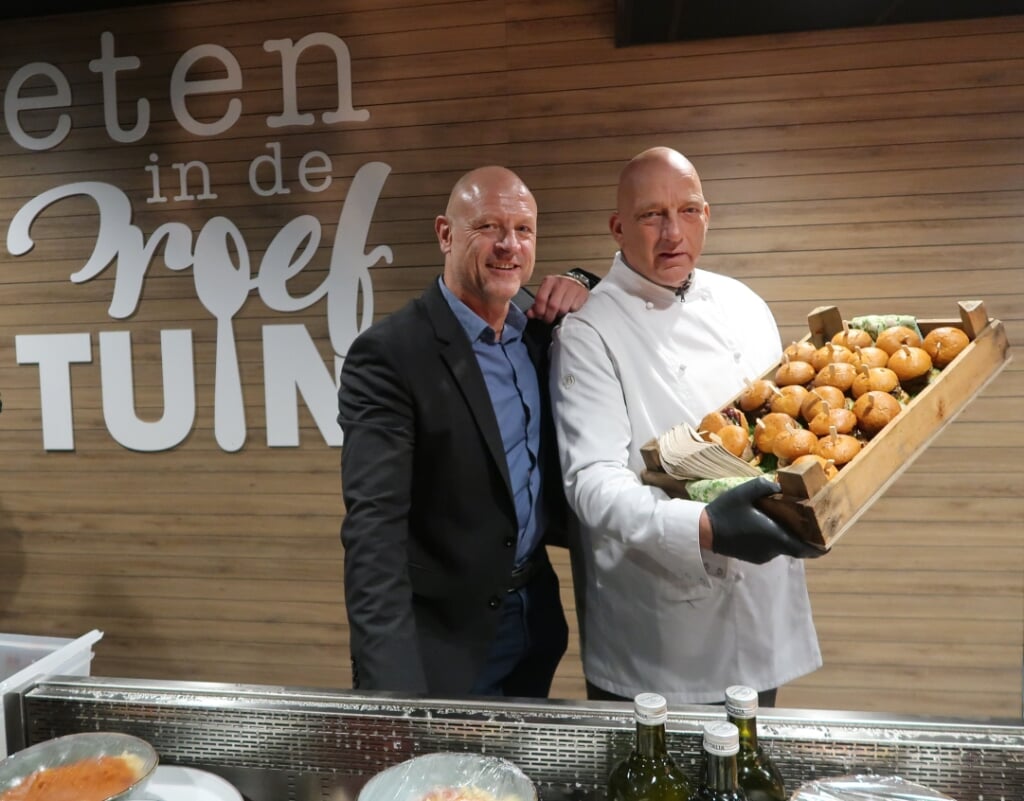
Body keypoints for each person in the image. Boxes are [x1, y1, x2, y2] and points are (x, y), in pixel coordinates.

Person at [549, 146, 823, 706]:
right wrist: (705, 526)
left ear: (708, 215)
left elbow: (779, 433)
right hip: (658, 629)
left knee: (749, 783)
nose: (672, 232)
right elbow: (593, 483)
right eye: (652, 215)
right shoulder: (589, 330)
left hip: (762, 603)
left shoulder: (744, 304)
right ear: (618, 227)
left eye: (689, 210)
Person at [337, 165, 595, 697]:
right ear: (444, 234)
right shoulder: (389, 354)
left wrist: (584, 279)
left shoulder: (537, 333)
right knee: (444, 782)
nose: (509, 245)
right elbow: (374, 532)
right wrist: (387, 690)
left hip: (535, 620)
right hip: (444, 644)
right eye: (488, 227)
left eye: (524, 230)